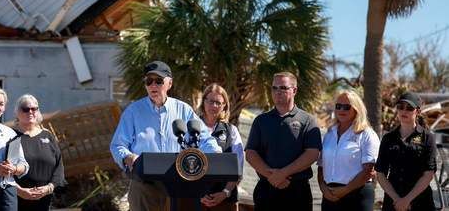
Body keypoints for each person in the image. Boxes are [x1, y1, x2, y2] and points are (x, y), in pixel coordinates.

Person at [109, 61, 222, 211]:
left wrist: (215, 155)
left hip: (178, 185)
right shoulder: (133, 111)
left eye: (158, 81)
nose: (153, 85)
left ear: (169, 83)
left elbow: (204, 139)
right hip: (144, 186)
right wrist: (128, 157)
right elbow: (117, 145)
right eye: (149, 81)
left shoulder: (183, 110)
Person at [245, 72, 322, 211]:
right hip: (266, 189)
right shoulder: (261, 121)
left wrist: (283, 174)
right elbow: (251, 153)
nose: (278, 92)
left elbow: (312, 153)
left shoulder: (308, 120)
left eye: (283, 88)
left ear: (294, 90)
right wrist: (271, 176)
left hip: (297, 192)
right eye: (274, 88)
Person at [317, 90, 379, 211]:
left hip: (358, 195)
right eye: (338, 106)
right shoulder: (329, 133)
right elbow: (321, 167)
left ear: (357, 109)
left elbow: (369, 170)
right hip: (330, 195)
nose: (341, 110)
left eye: (346, 107)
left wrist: (345, 190)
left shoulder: (367, 134)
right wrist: (323, 189)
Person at [375, 92, 437, 211]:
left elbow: (429, 174)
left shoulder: (428, 138)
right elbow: (380, 173)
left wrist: (407, 200)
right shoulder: (388, 138)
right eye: (400, 107)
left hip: (420, 202)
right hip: (393, 203)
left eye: (409, 108)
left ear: (417, 112)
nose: (404, 111)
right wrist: (397, 200)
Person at [12, 94, 65, 211]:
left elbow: (59, 166)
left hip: (45, 200)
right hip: (17, 201)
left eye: (34, 108)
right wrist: (20, 191)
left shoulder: (47, 136)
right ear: (17, 112)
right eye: (25, 109)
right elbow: (3, 171)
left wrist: (49, 187)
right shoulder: (10, 137)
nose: (30, 112)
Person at [198, 84, 243, 211]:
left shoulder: (231, 131)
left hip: (225, 200)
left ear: (224, 106)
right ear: (203, 102)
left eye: (218, 102)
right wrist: (198, 193)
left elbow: (238, 167)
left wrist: (225, 193)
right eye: (210, 101)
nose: (214, 106)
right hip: (194, 198)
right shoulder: (190, 128)